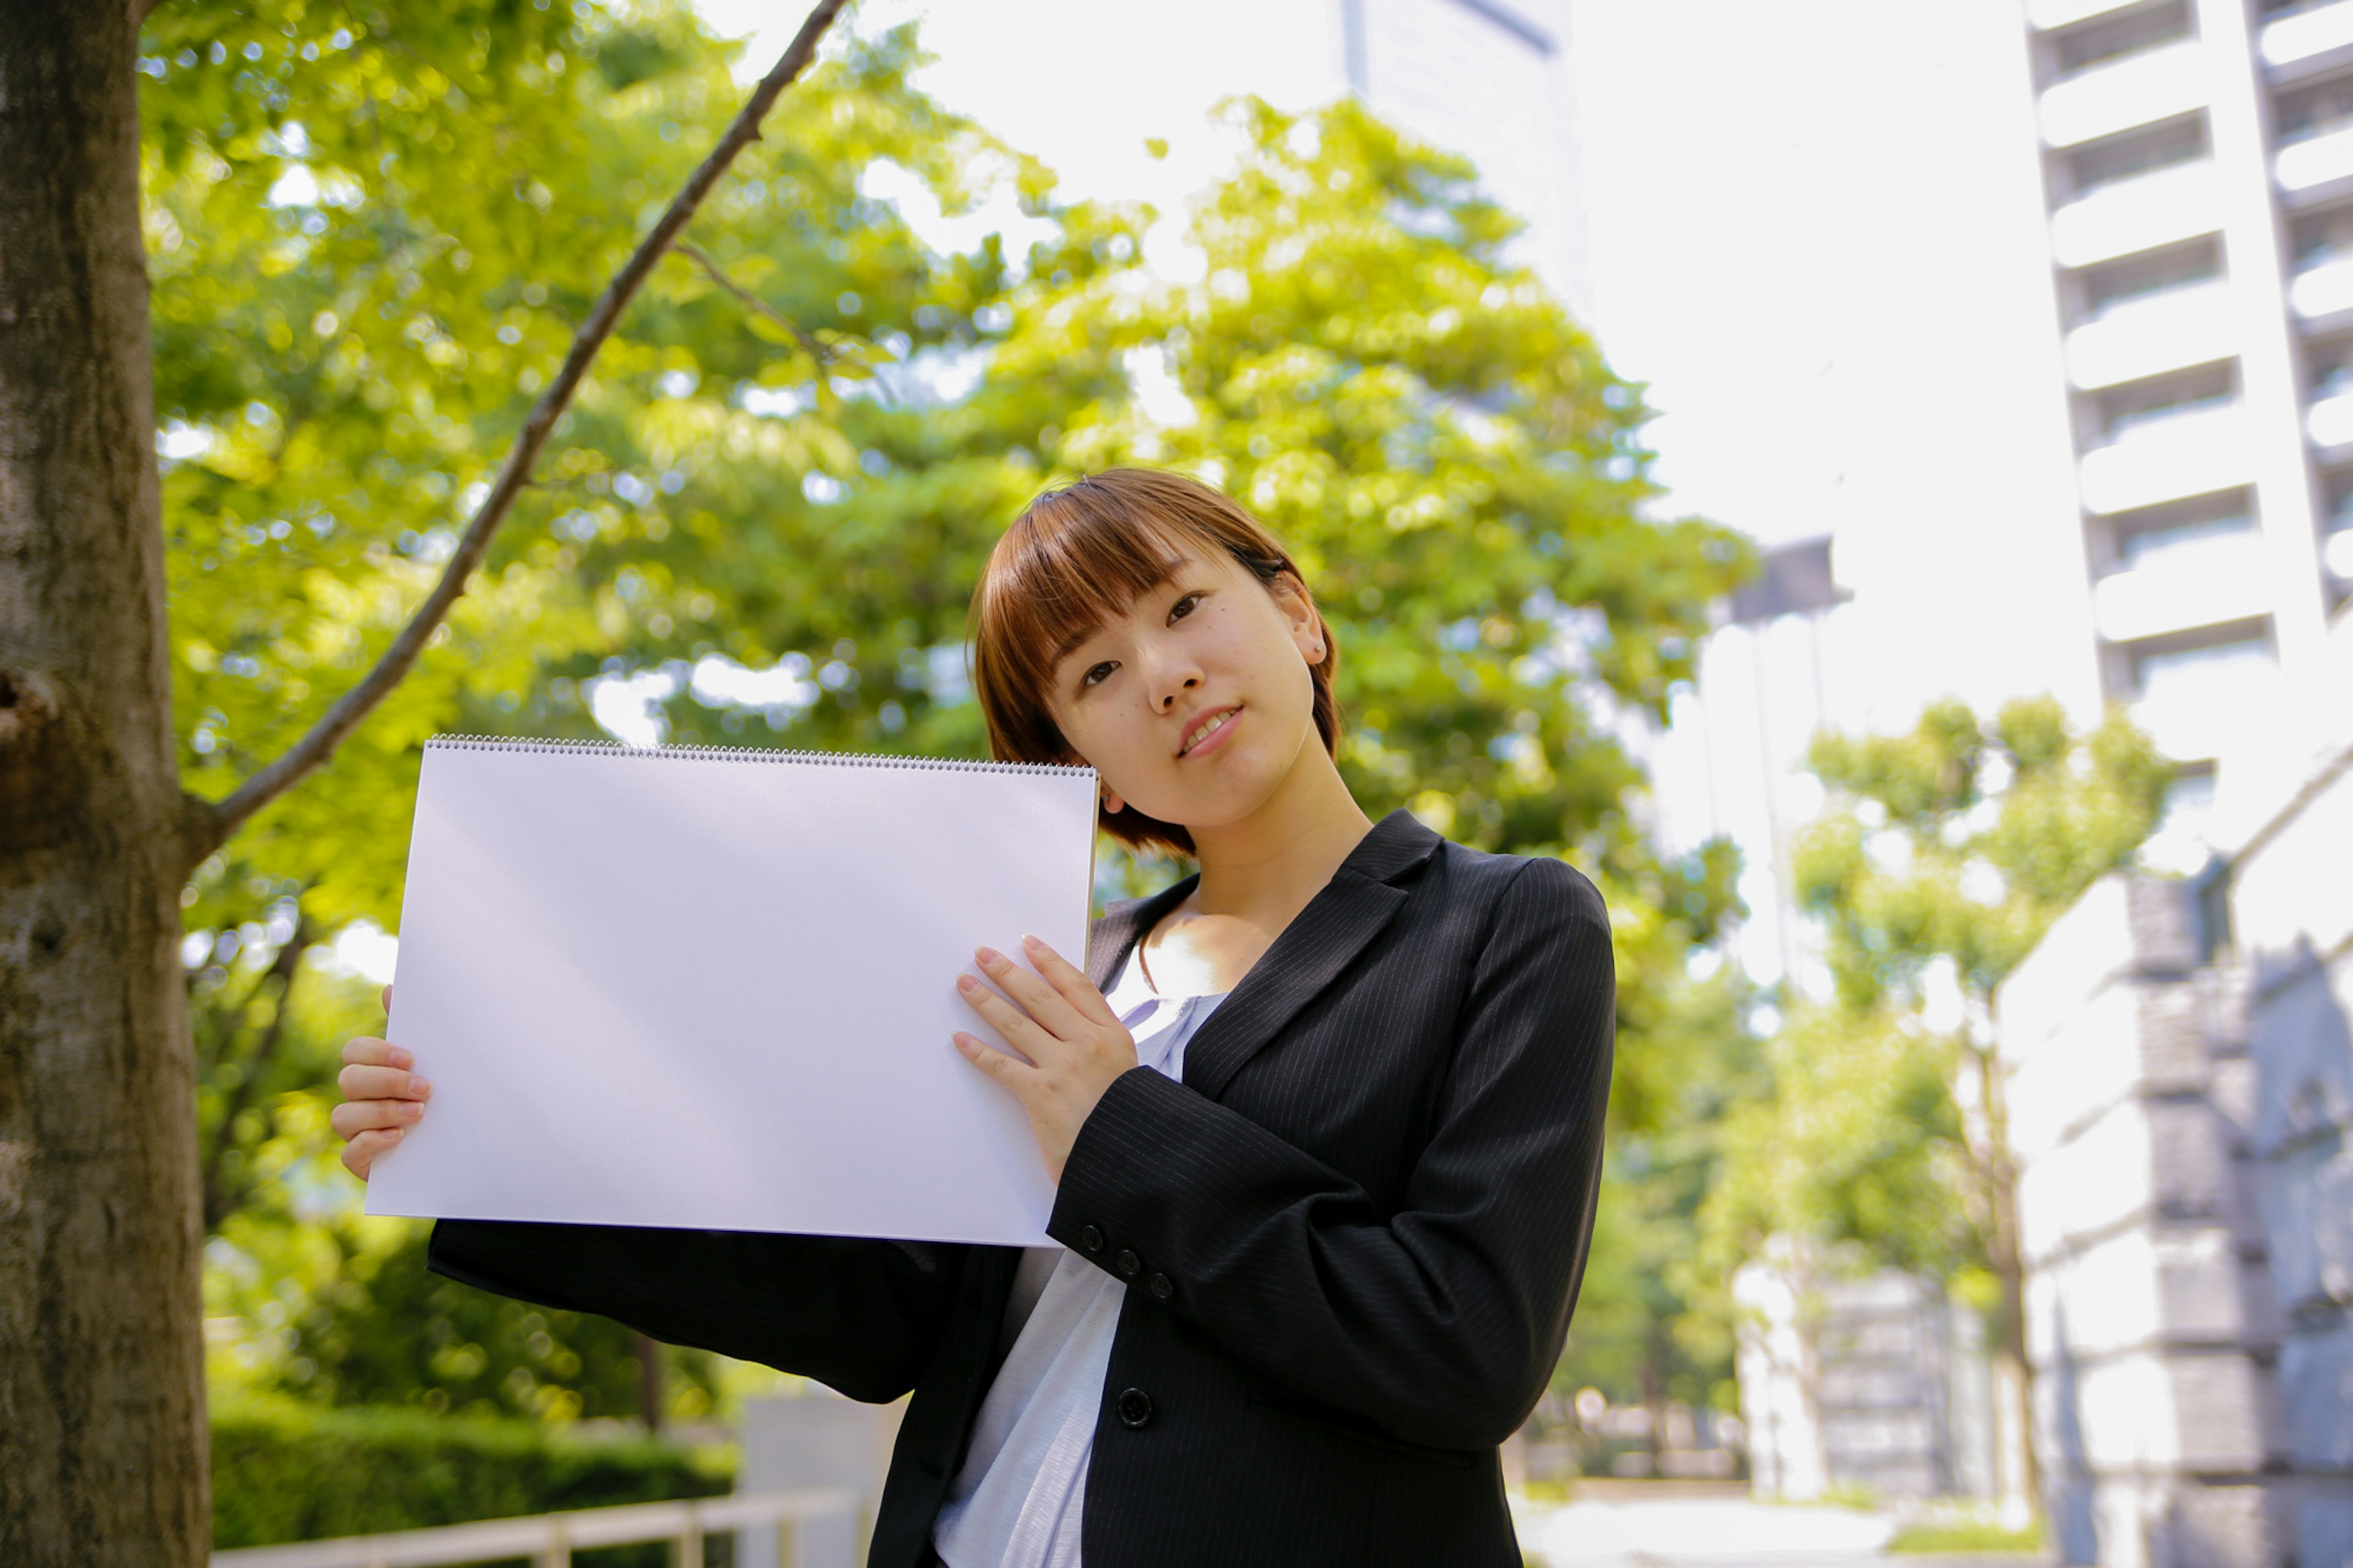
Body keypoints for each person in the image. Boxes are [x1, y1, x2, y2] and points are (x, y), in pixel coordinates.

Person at [333, 468, 1616, 1568]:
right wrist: (492, 1142)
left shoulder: (1503, 923)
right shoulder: (1055, 969)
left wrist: (1116, 1124)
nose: (1162, 676)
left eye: (1184, 608)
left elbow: (1466, 1344)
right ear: (1075, 758)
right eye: (1097, 669)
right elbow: (887, 1311)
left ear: (1297, 613)